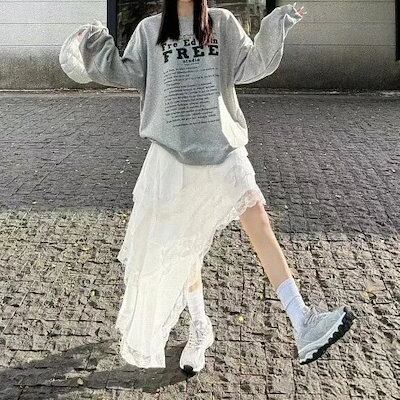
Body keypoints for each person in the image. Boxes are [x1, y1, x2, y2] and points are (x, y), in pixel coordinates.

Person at [60, 0, 356, 376]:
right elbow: (125, 71)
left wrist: (276, 24)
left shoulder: (222, 23)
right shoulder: (150, 30)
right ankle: (200, 327)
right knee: (186, 246)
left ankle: (303, 321)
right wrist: (92, 43)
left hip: (223, 146)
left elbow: (251, 65)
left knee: (259, 220)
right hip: (173, 155)